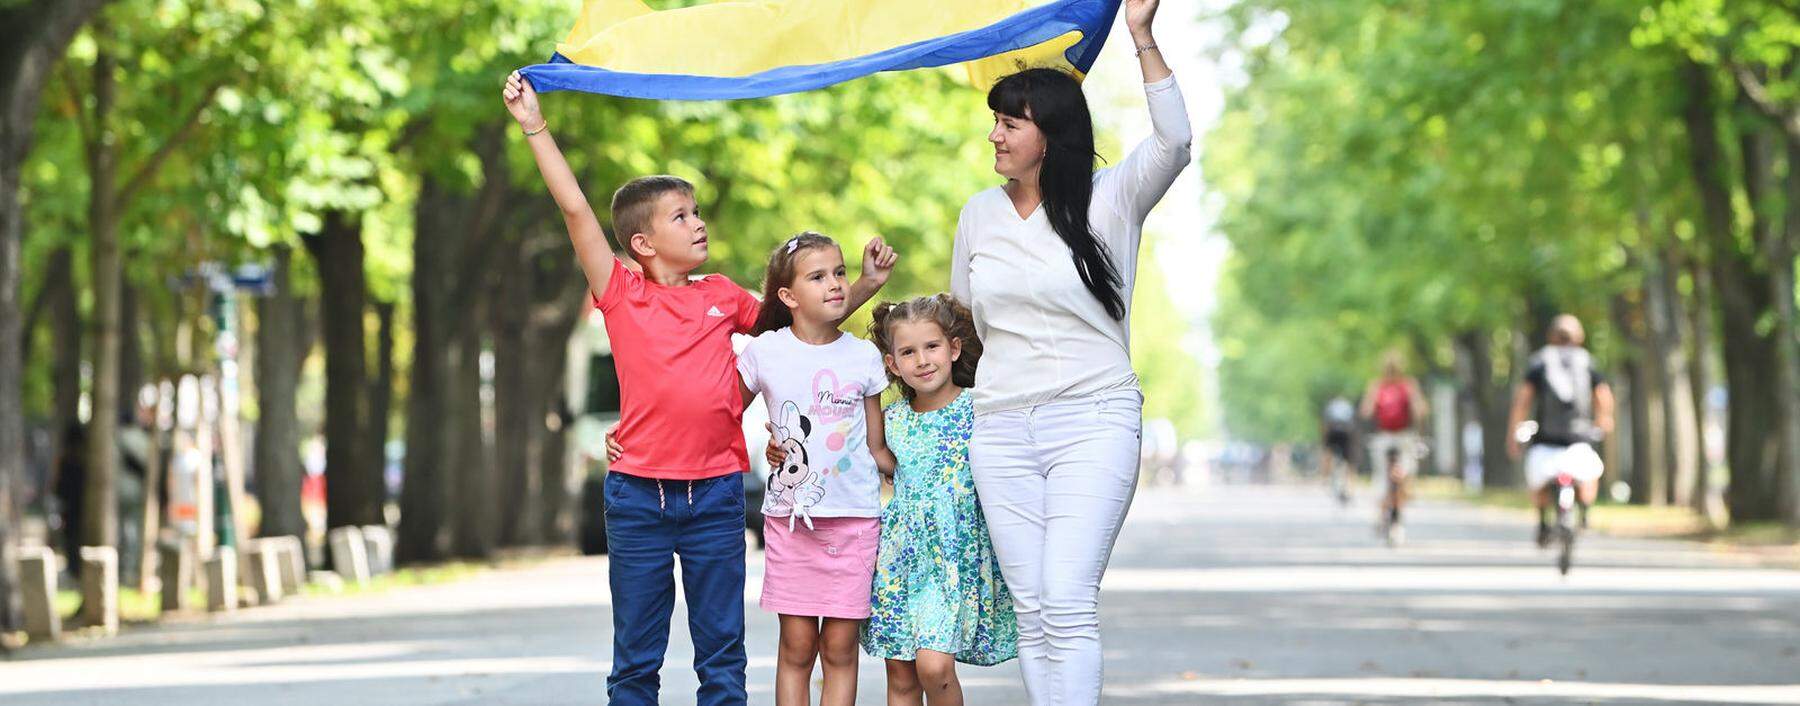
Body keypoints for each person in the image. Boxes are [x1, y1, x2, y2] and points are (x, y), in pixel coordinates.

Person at [502, 72, 894, 706]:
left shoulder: (722, 296)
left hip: (714, 495)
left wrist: (867, 285)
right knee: (636, 657)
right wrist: (534, 125)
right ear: (642, 243)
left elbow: (799, 316)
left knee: (721, 656)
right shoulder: (621, 294)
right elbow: (575, 208)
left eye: (696, 211)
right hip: (638, 501)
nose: (698, 222)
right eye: (680, 216)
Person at [946, 1, 1190, 702]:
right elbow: (966, 320)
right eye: (994, 121)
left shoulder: (1111, 200)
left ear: (1049, 136)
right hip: (999, 431)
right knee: (1032, 611)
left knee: (1067, 600)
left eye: (1008, 123)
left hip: (1092, 420)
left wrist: (1142, 38)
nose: (993, 135)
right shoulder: (978, 215)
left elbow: (1173, 143)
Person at [737, 232, 896, 706]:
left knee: (841, 647)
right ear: (788, 297)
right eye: (818, 276)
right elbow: (720, 410)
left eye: (840, 272)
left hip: (855, 521)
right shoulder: (765, 353)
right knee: (798, 646)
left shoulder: (865, 356)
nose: (835, 283)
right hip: (791, 523)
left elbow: (876, 444)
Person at [861, 295, 1018, 706]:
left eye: (931, 347)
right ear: (892, 364)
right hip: (898, 556)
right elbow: (877, 455)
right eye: (908, 352)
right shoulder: (893, 418)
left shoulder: (978, 406)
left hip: (952, 556)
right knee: (900, 676)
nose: (922, 360)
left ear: (953, 348)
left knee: (934, 668)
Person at [1507, 314, 1614, 547]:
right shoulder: (1587, 362)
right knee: (1590, 475)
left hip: (1545, 440)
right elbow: (1603, 396)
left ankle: (1543, 521)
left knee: (1538, 482)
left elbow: (1523, 401)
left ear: (1551, 336)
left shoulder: (1539, 362)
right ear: (1579, 336)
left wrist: (1514, 433)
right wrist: (1604, 421)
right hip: (1579, 438)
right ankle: (1584, 513)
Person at [1360, 353, 1427, 536]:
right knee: (1406, 473)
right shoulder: (1409, 385)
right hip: (1404, 436)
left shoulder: (1376, 386)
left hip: (1383, 437)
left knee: (1381, 476)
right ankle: (1398, 517)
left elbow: (1366, 411)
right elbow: (1420, 410)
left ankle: (1380, 513)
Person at [1319, 396, 1356, 503]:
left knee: (1327, 453)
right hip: (1346, 433)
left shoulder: (1330, 406)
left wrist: (1324, 439)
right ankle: (1349, 486)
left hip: (1332, 432)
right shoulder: (1348, 405)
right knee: (1349, 461)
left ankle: (1325, 478)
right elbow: (1353, 423)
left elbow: (1325, 423)